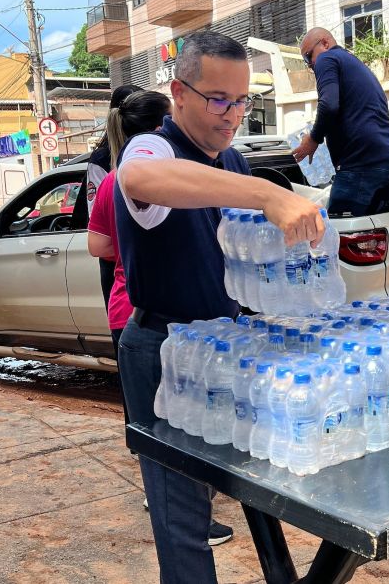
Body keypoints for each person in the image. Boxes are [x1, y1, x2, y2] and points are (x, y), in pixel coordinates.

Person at [114, 31, 324, 583]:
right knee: (181, 510)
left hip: (230, 342)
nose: (231, 115)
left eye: (242, 100)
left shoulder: (231, 157)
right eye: (217, 99)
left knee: (258, 483)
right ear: (177, 92)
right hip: (165, 347)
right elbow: (138, 179)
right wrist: (267, 194)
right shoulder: (152, 148)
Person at [87, 90, 171, 407]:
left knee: (142, 423)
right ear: (161, 128)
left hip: (127, 311)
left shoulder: (112, 178)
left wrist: (126, 247)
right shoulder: (180, 174)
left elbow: (98, 245)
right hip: (167, 317)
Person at [292, 27, 389, 217]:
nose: (310, 66)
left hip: (360, 167)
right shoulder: (353, 63)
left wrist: (313, 139)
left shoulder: (327, 59)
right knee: (368, 237)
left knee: (336, 236)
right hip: (385, 162)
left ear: (325, 43)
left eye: (309, 57)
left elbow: (328, 105)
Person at [86, 84, 143, 311]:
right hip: (119, 266)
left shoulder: (159, 154)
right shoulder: (102, 159)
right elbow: (99, 228)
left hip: (124, 265)